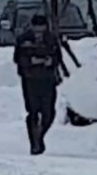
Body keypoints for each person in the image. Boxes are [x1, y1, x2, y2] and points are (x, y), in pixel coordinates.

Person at [14, 14, 62, 155]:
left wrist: (50, 62)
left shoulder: (51, 39)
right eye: (36, 29)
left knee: (49, 113)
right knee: (33, 112)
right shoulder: (23, 39)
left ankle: (39, 137)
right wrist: (31, 62)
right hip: (30, 80)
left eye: (41, 29)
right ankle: (34, 143)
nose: (39, 32)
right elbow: (17, 58)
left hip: (48, 80)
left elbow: (58, 57)